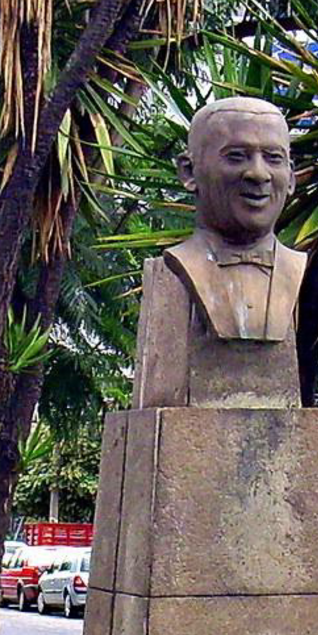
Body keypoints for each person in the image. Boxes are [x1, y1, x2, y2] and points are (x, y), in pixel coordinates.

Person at [132, 96, 306, 408]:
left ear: (291, 177)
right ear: (188, 172)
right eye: (236, 156)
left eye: (273, 158)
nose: (258, 174)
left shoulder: (300, 271)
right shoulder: (172, 272)